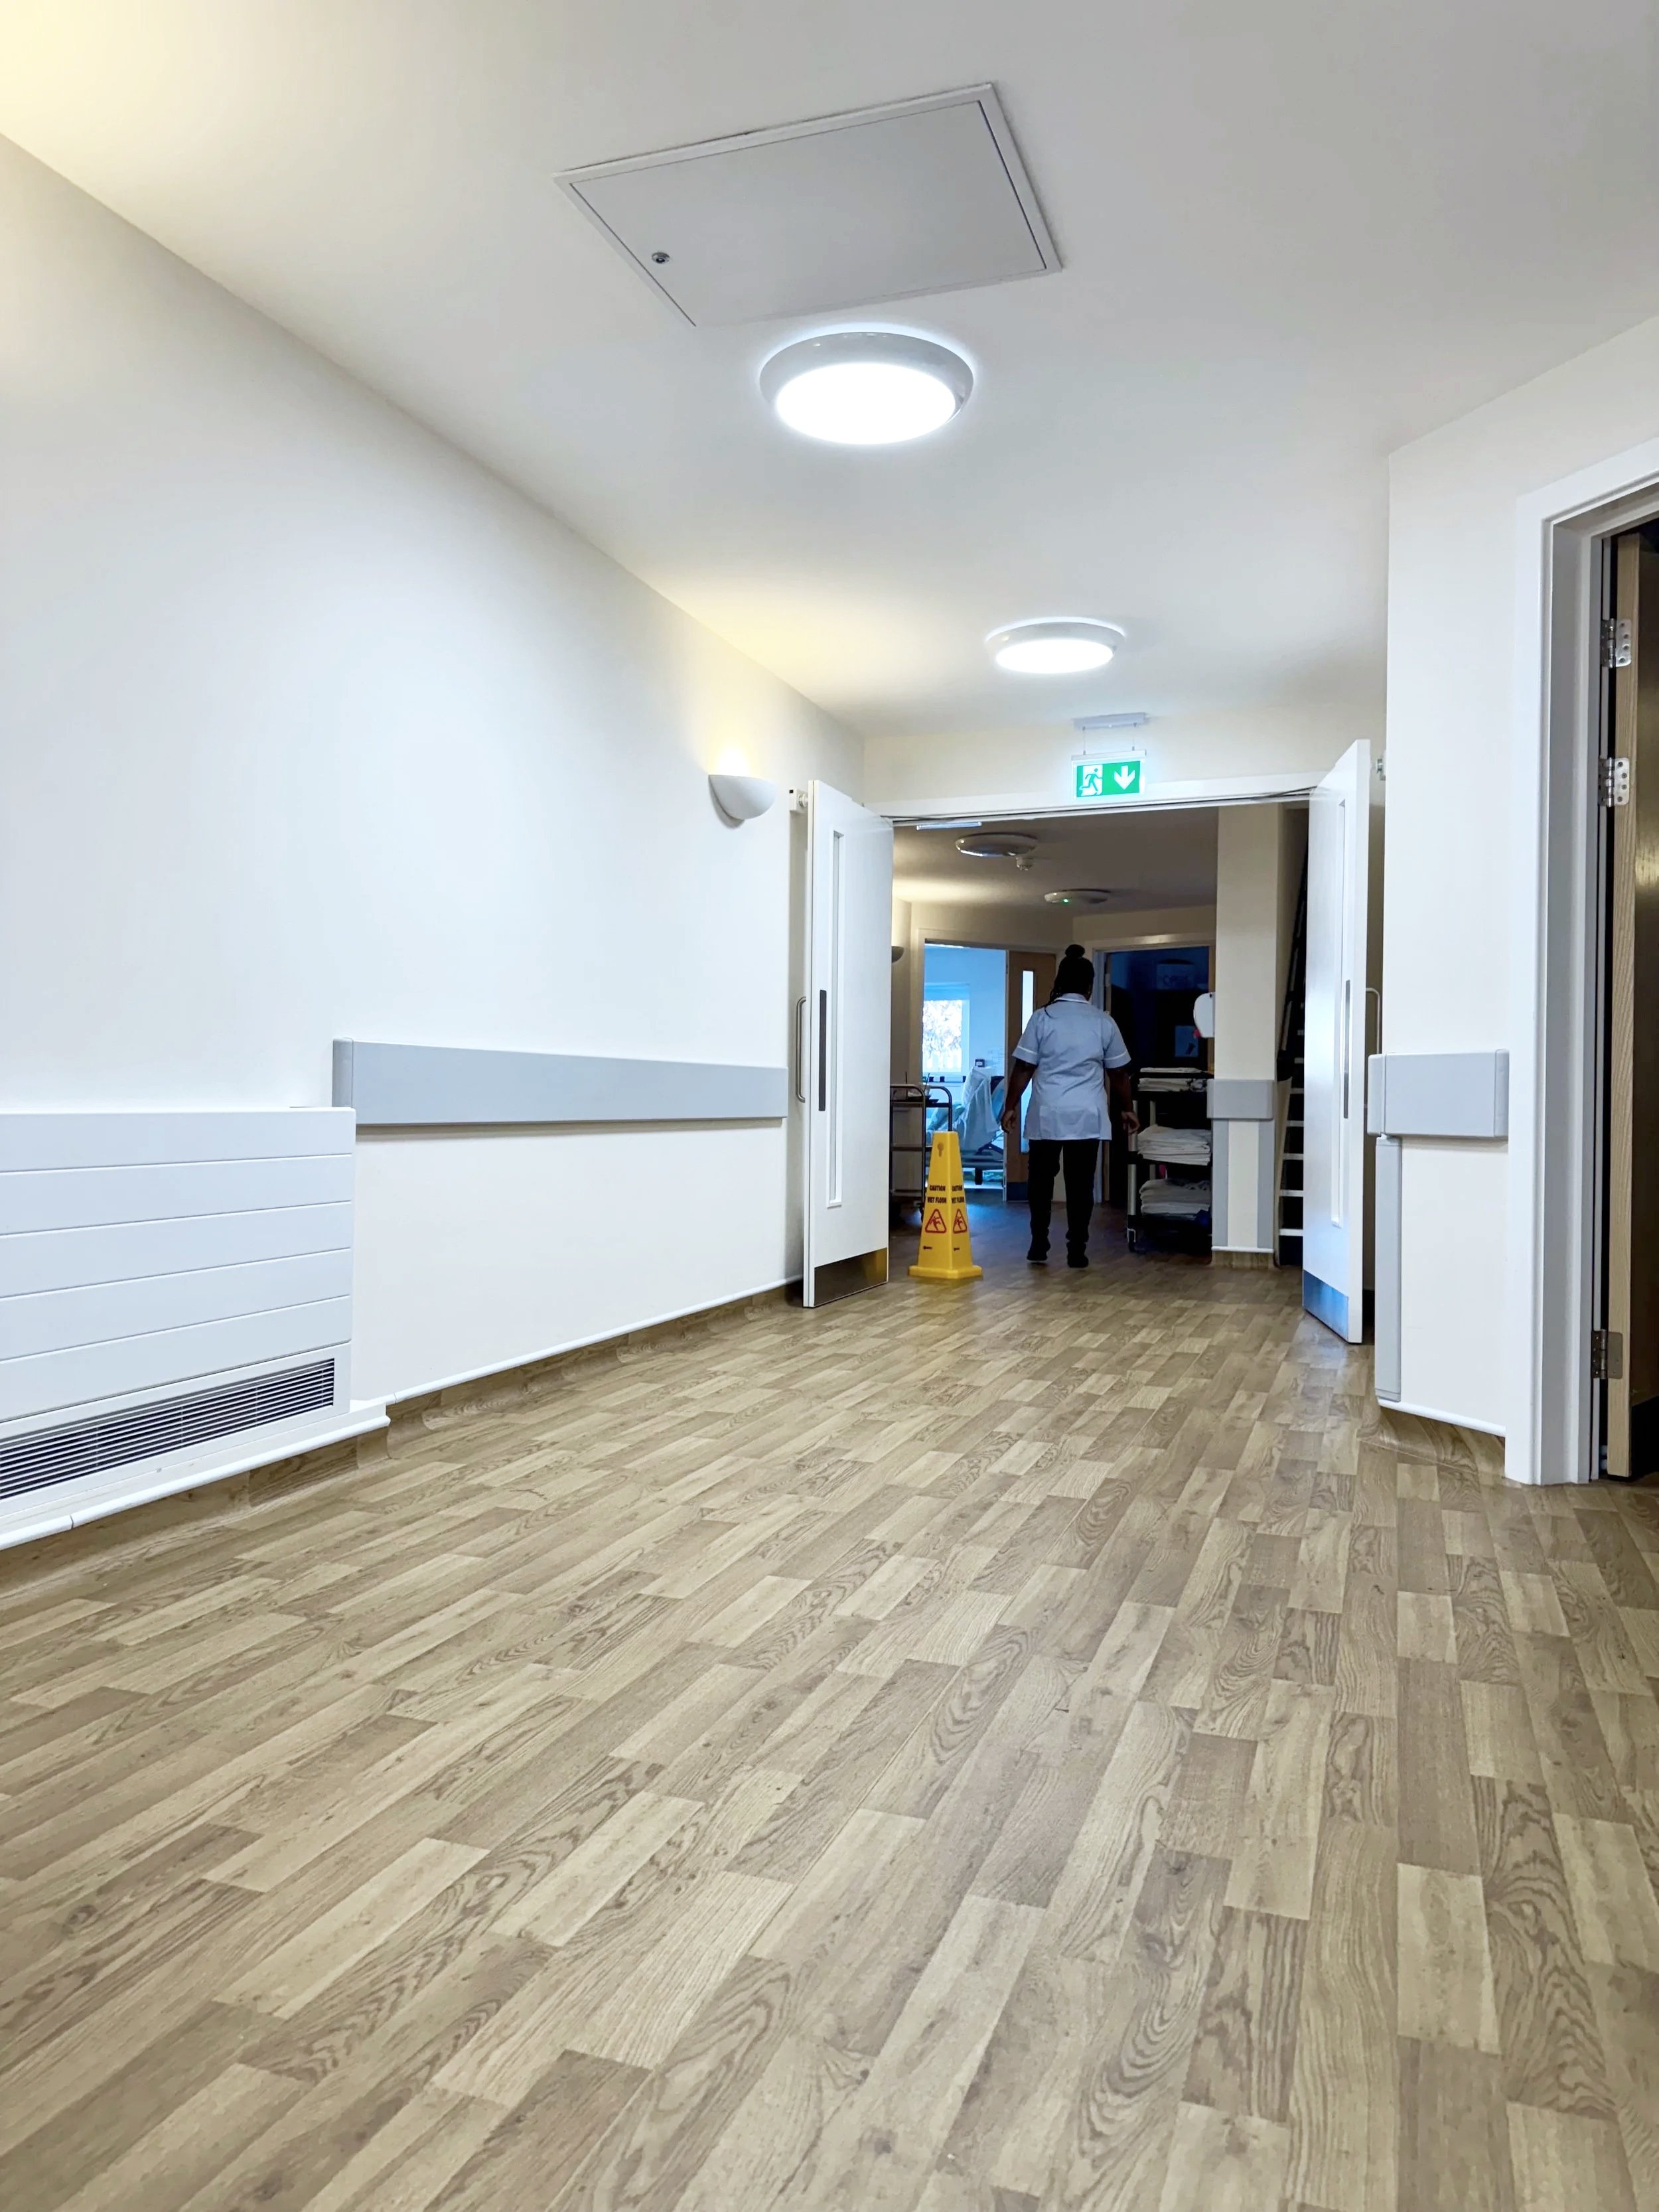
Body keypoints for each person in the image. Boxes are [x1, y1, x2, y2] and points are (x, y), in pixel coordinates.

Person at [1000, 946, 1138, 1268]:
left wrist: (1010, 1107)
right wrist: (1127, 1109)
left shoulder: (1042, 1018)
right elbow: (1118, 1073)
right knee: (1080, 1185)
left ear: (1059, 981)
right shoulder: (1103, 1022)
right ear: (1090, 986)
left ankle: (1038, 1244)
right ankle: (1077, 1249)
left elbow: (1023, 1068)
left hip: (1047, 1113)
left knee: (1040, 1183)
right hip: (1086, 1116)